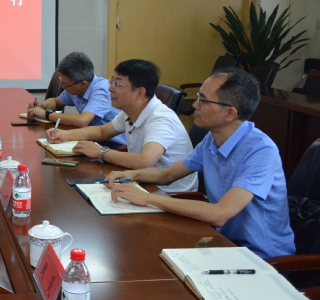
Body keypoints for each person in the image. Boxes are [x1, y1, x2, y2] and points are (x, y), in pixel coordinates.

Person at [107, 68, 295, 258]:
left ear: (230, 113)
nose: (195, 105)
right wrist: (130, 175)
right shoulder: (211, 139)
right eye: (198, 97)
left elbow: (219, 214)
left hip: (260, 256)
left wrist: (147, 198)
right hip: (222, 241)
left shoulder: (261, 151)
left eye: (203, 100)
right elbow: (167, 175)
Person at [46, 59, 196, 193]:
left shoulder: (161, 118)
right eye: (111, 82)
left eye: (117, 84)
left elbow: (145, 161)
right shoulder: (130, 111)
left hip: (169, 193)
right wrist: (64, 134)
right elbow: (102, 131)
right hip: (141, 182)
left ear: (139, 93)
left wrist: (101, 152)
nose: (110, 89)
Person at [27, 52, 125, 145]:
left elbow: (82, 121)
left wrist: (47, 114)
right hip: (92, 140)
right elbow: (56, 102)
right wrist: (42, 106)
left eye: (65, 84)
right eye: (62, 82)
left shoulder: (102, 90)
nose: (62, 86)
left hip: (114, 146)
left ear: (83, 84)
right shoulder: (75, 87)